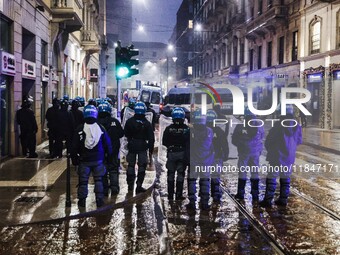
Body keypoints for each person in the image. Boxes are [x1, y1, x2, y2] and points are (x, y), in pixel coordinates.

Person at [71, 105, 113, 208]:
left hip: (84, 160)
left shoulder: (80, 128)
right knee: (98, 180)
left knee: (83, 181)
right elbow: (108, 144)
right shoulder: (100, 128)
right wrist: (109, 157)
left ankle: (82, 201)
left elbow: (73, 146)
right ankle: (99, 199)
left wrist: (74, 160)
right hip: (98, 159)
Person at [260, 105, 302, 207]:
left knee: (271, 179)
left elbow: (269, 141)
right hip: (289, 157)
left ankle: (268, 200)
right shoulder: (297, 126)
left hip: (276, 156)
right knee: (285, 179)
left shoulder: (278, 126)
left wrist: (271, 149)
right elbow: (299, 141)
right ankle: (283, 200)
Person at [231, 107, 264, 202]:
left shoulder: (240, 126)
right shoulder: (259, 125)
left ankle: (240, 193)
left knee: (242, 172)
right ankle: (255, 194)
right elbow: (262, 136)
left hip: (243, 153)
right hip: (255, 153)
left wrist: (241, 145)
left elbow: (234, 140)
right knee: (254, 173)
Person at [124, 102, 155, 193]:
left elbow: (126, 133)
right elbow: (151, 138)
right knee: (142, 166)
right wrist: (150, 150)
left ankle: (130, 186)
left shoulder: (129, 121)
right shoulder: (147, 123)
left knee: (131, 165)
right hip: (142, 146)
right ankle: (139, 186)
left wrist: (130, 141)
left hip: (132, 145)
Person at [187, 108, 214, 210]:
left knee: (192, 181)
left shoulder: (191, 131)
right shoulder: (209, 131)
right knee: (205, 181)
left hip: (193, 161)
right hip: (205, 161)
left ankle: (192, 202)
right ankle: (204, 203)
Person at [162, 107, 190, 200]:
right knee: (180, 174)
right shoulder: (186, 129)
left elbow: (164, 142)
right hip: (182, 153)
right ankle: (178, 194)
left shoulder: (168, 128)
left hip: (171, 153)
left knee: (170, 173)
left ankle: (170, 195)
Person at [97, 102, 124, 196]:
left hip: (100, 152)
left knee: (102, 170)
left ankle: (104, 189)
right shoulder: (115, 122)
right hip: (113, 151)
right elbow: (121, 134)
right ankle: (114, 188)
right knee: (113, 169)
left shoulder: (96, 123)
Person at [206, 109, 229, 204]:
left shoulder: (203, 131)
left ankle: (204, 194)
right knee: (215, 175)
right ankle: (215, 194)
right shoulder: (219, 131)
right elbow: (224, 144)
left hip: (205, 157)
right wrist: (226, 155)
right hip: (217, 156)